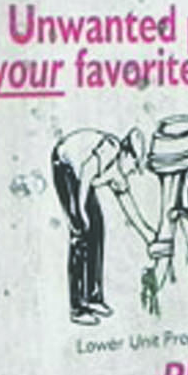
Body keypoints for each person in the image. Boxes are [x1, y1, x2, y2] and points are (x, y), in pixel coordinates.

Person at [50, 127, 155, 324]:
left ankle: (93, 297)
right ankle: (77, 307)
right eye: (135, 165)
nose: (133, 171)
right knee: (80, 233)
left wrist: (149, 236)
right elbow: (87, 173)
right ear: (127, 153)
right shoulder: (111, 148)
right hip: (66, 165)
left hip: (82, 179)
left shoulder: (118, 174)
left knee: (97, 229)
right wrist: (80, 211)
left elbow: (129, 207)